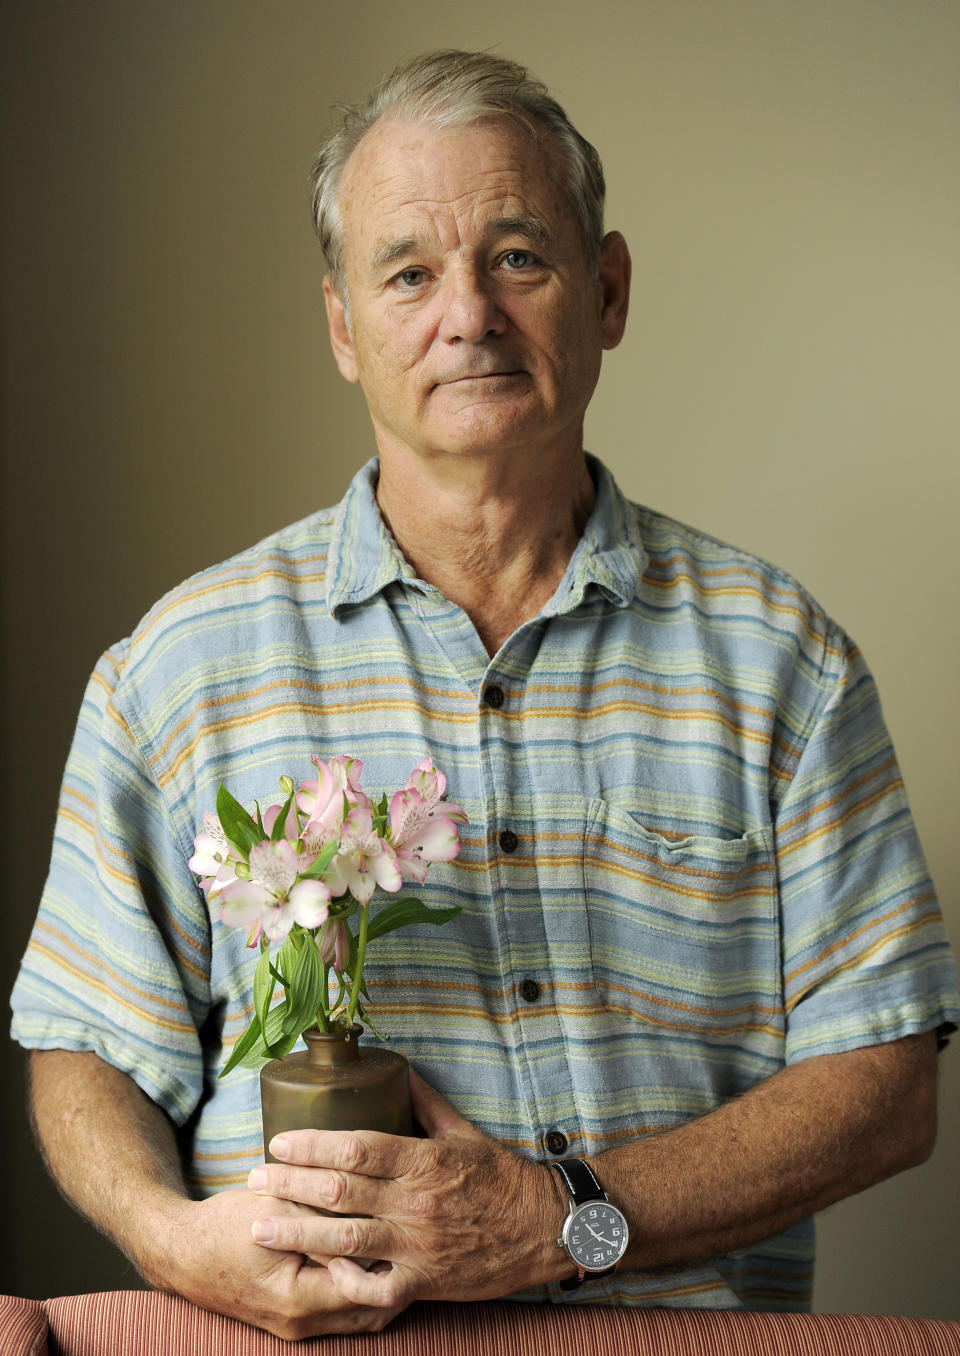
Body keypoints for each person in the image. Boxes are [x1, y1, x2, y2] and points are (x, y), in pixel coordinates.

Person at [11, 49, 959, 1341]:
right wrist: (173, 1240)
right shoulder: (175, 668)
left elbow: (888, 1079)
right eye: (408, 272)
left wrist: (564, 1215)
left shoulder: (785, 660)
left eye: (517, 256)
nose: (467, 315)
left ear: (608, 289)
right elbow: (85, 1050)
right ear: (344, 326)